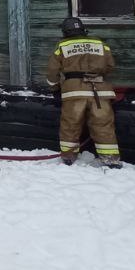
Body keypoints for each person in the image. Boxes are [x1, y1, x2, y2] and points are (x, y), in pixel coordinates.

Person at [46, 17, 121, 168]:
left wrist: (54, 88)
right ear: (83, 30)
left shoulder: (62, 45)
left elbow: (52, 71)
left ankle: (68, 157)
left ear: (65, 32)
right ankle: (110, 158)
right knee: (104, 124)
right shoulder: (100, 43)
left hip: (74, 92)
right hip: (100, 92)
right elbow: (110, 65)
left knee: (70, 124)